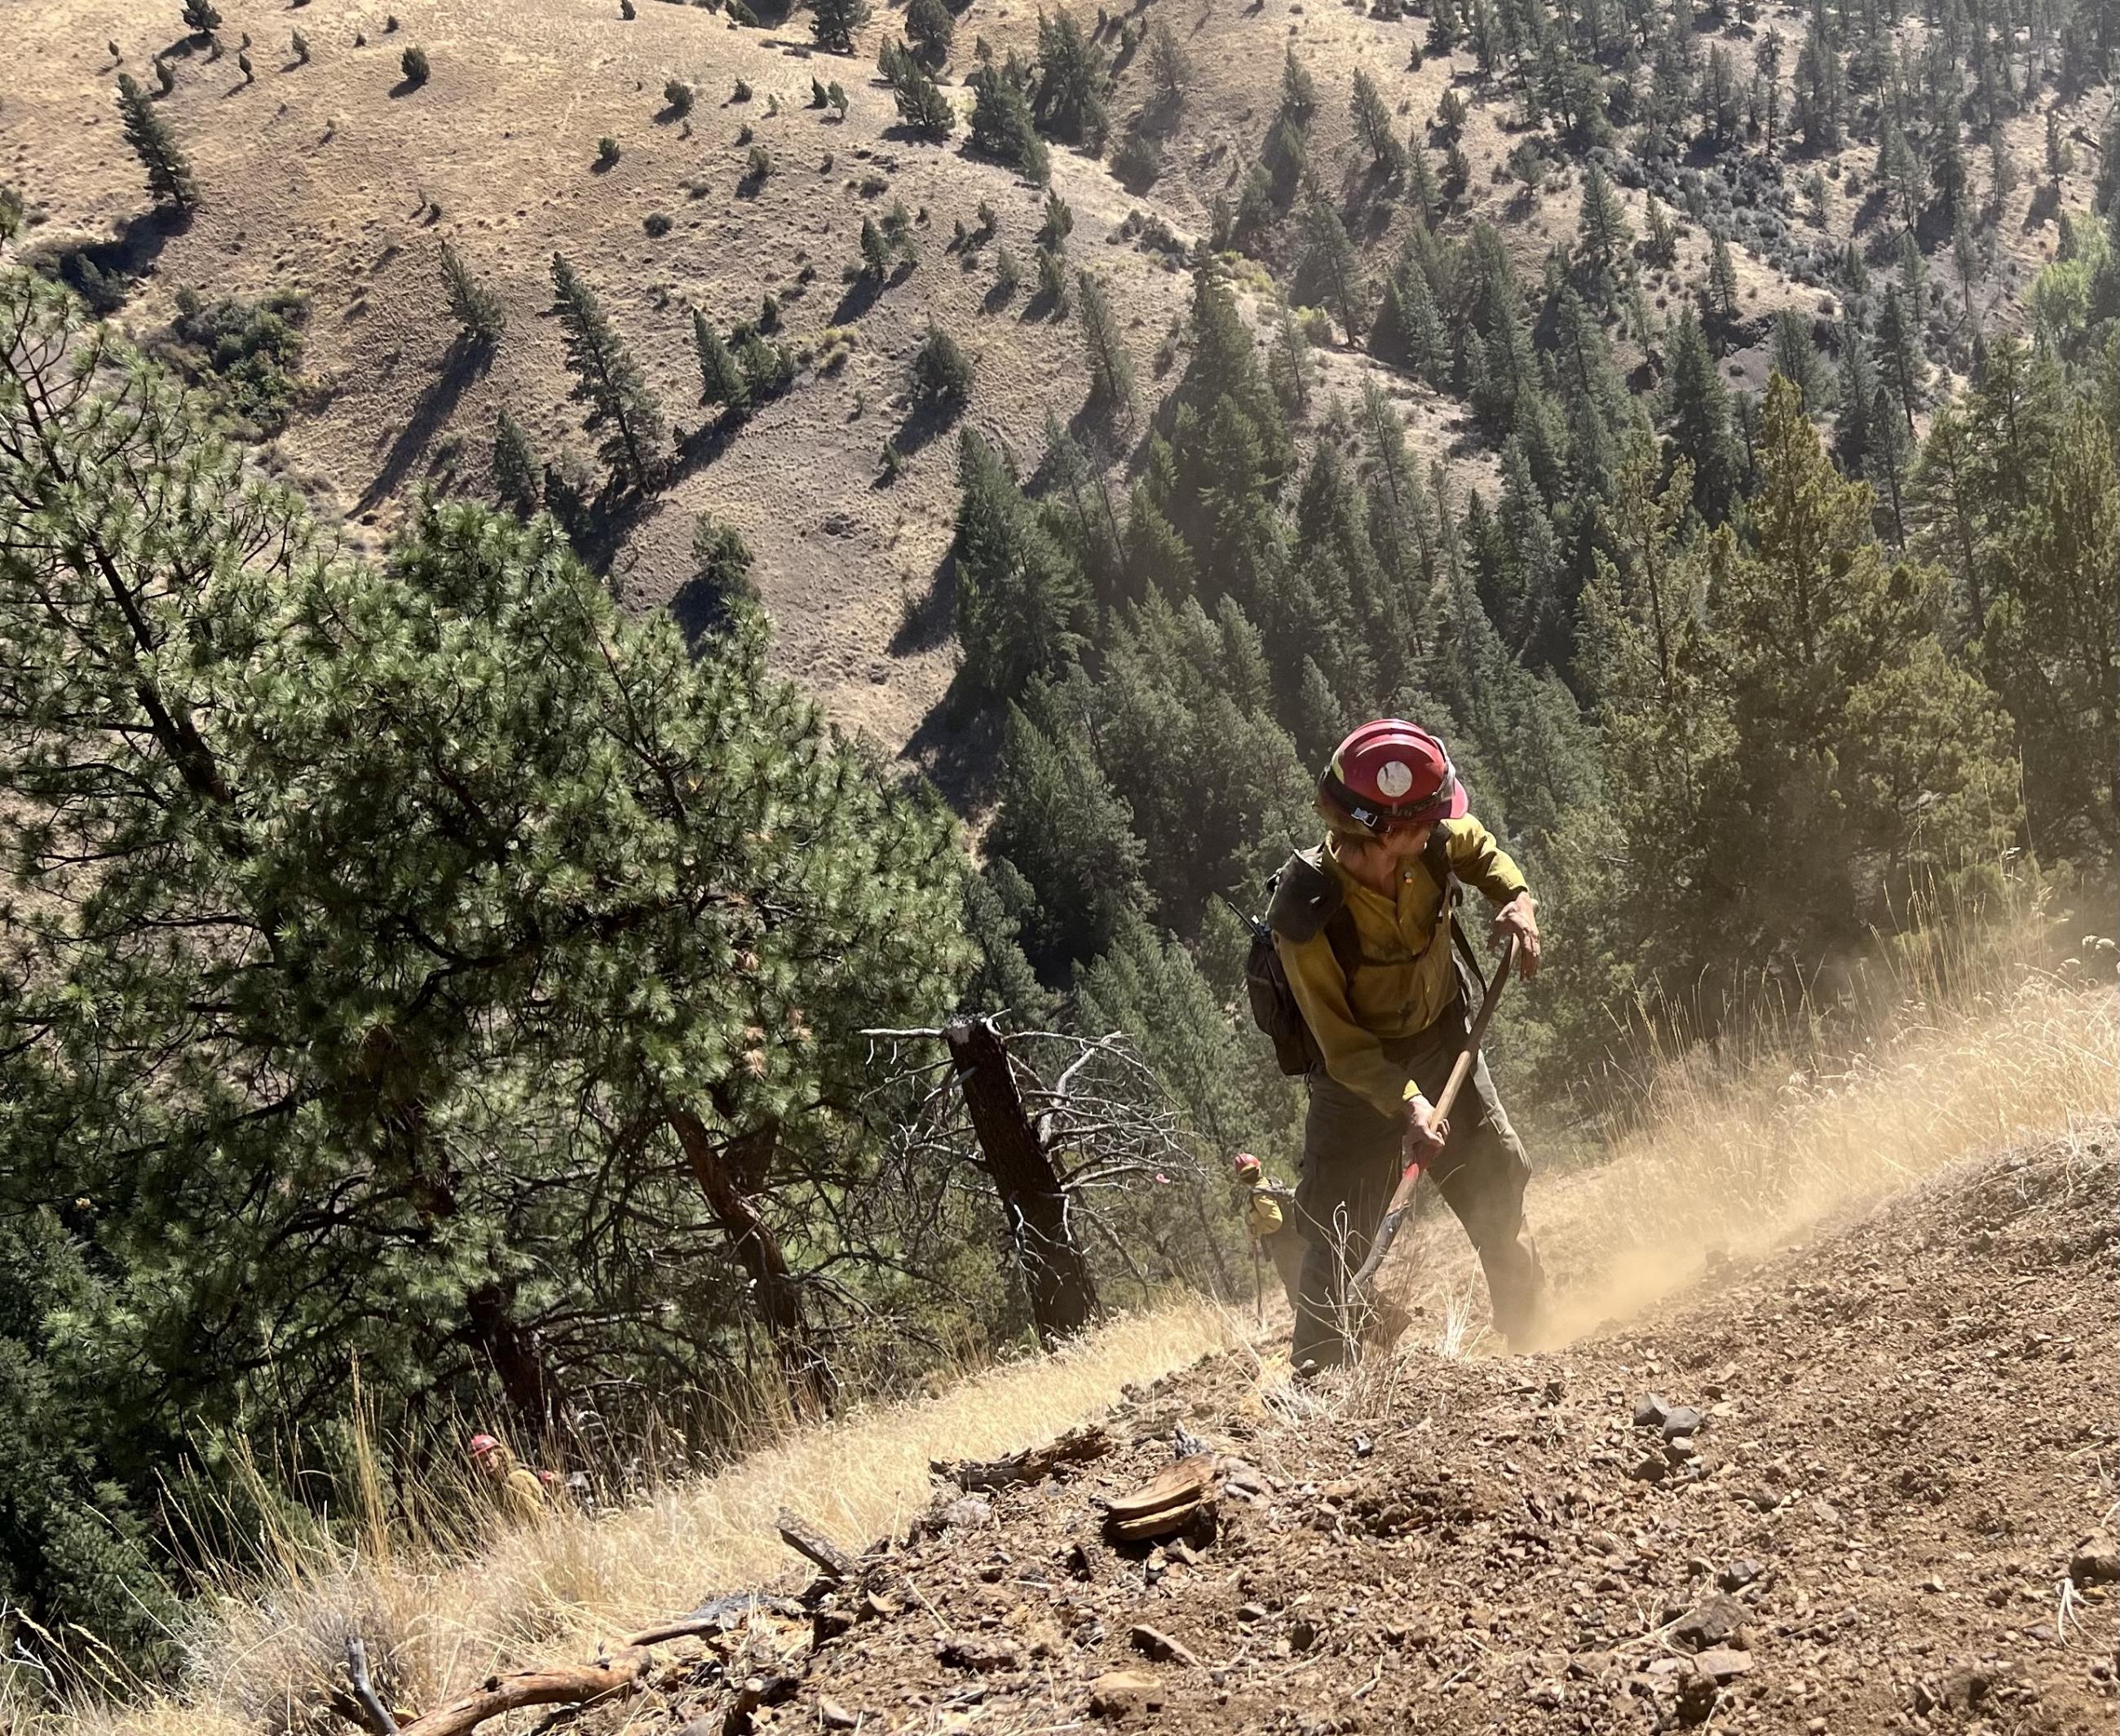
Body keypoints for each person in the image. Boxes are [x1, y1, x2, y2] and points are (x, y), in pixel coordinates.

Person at [1269, 718, 1545, 1367]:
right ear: (1387, 829)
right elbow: (1341, 1045)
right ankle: (1319, 1381)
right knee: (1335, 1236)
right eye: (1423, 820)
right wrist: (1410, 1103)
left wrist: (1517, 896)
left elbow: (1483, 850)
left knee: (1496, 1186)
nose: (1438, 826)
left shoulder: (1432, 842)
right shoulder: (1307, 915)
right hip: (1357, 1084)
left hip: (1444, 1041)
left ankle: (1536, 1346)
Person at [1232, 1151, 1305, 1315]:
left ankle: (1305, 1321)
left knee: (1293, 1283)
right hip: (1298, 1236)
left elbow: (1275, 1220)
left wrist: (1256, 1229)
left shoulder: (1258, 1195)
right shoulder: (1272, 1183)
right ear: (1259, 1168)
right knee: (1305, 1277)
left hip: (1284, 1246)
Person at [468, 1431, 550, 1525]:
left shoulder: (515, 1479)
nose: (486, 1463)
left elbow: (536, 1518)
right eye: (481, 1461)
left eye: (488, 1457)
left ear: (498, 1454)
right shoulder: (493, 1487)